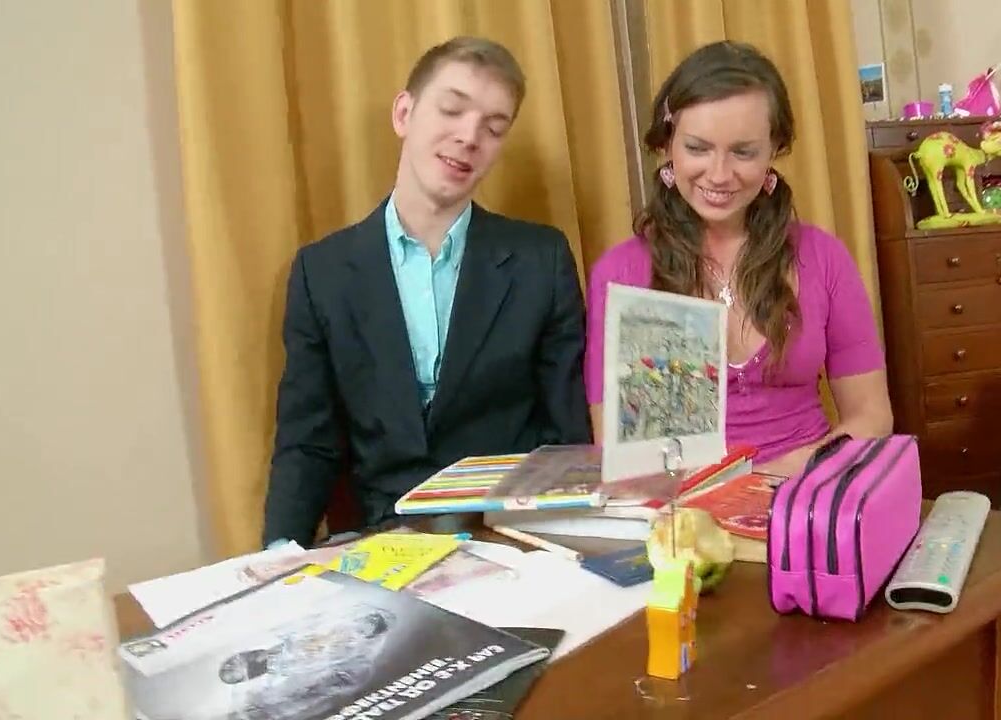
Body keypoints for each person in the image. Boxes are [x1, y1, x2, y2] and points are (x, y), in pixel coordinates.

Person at [263, 36, 591, 548]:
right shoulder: (321, 272)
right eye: (452, 110)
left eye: (493, 128)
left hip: (509, 537)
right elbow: (308, 443)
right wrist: (279, 556)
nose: (469, 137)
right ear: (404, 113)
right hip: (382, 541)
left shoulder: (540, 259)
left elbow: (566, 437)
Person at [584, 41, 892, 479]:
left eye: (743, 152)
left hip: (806, 491)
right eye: (698, 148)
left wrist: (775, 481)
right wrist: (721, 498)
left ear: (774, 150)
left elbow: (871, 417)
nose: (719, 174)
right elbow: (627, 454)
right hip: (687, 507)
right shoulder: (622, 273)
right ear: (667, 145)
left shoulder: (823, 257)